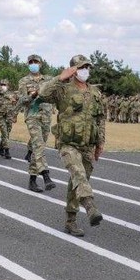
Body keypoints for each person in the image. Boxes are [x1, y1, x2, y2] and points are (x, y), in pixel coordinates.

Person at [34, 54, 104, 237]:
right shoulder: (62, 89)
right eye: (81, 67)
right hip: (68, 144)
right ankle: (90, 206)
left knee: (78, 180)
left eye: (87, 67)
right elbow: (42, 93)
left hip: (87, 145)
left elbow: (100, 119)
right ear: (73, 70)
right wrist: (60, 78)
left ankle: (70, 221)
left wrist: (100, 142)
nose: (85, 71)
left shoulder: (95, 92)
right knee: (78, 174)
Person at [17, 54, 55, 192]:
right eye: (31, 62)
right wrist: (32, 95)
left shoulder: (49, 80)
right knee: (38, 144)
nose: (33, 64)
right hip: (32, 116)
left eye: (36, 61)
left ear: (41, 64)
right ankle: (46, 176)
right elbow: (22, 100)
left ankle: (32, 180)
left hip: (46, 117)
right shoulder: (23, 81)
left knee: (37, 148)